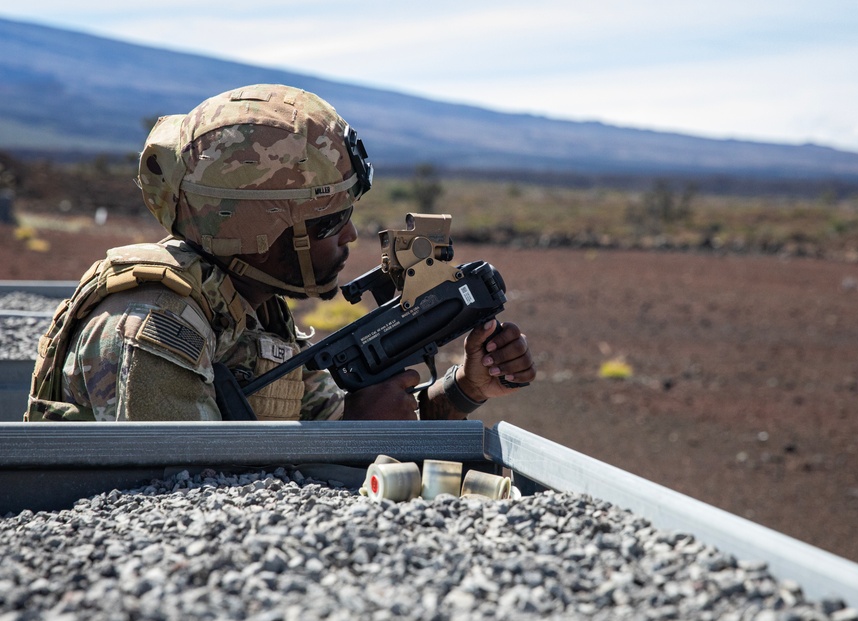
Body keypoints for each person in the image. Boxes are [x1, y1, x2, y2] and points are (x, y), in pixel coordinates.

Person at [25, 83, 534, 422]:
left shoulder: (251, 311)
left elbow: (336, 418)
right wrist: (353, 433)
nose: (351, 237)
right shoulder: (157, 329)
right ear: (254, 230)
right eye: (329, 222)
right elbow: (181, 504)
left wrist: (466, 387)